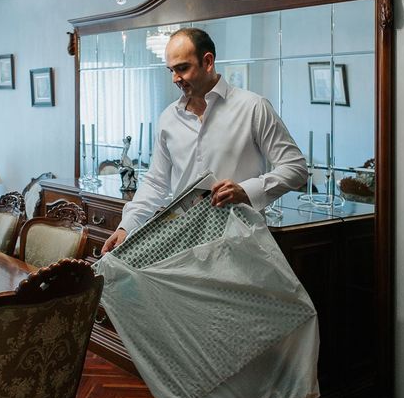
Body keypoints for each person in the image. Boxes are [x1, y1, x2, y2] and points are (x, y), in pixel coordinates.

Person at [101, 27, 307, 253]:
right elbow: (156, 182)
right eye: (171, 70)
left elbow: (295, 168)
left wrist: (246, 191)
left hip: (242, 247)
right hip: (183, 247)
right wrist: (126, 226)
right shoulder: (168, 118)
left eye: (182, 68)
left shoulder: (253, 107)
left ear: (208, 61)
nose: (175, 78)